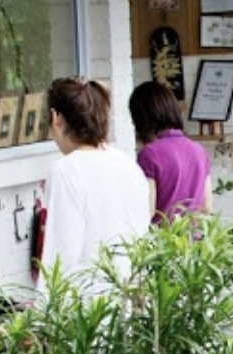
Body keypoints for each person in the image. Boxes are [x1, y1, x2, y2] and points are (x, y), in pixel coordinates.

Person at [39, 76, 154, 273]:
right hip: (129, 287)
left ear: (55, 117)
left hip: (87, 296)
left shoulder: (66, 170)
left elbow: (61, 252)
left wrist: (45, 301)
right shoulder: (126, 163)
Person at [129, 80, 212, 222]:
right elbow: (206, 207)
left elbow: (147, 211)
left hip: (163, 241)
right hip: (195, 240)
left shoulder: (149, 154)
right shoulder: (199, 151)